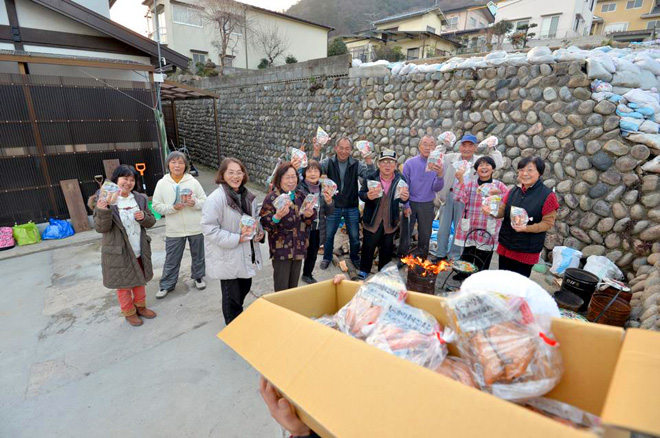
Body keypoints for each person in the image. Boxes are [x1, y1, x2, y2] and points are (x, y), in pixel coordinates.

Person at [201, 158, 264, 325]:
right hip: (228, 256)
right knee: (232, 297)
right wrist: (237, 238)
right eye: (231, 172)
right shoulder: (215, 199)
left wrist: (259, 232)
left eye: (239, 172)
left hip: (246, 252)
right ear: (222, 175)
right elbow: (209, 229)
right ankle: (232, 326)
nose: (235, 176)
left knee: (245, 287)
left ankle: (237, 319)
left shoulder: (248, 196)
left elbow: (255, 219)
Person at [93, 165, 157, 327]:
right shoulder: (105, 199)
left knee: (140, 281)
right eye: (124, 179)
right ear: (116, 180)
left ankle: (141, 307)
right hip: (119, 251)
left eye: (131, 180)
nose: (128, 183)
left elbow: (151, 221)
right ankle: (129, 312)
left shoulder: (140, 198)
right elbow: (102, 228)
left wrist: (143, 217)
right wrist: (104, 210)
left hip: (139, 247)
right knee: (124, 285)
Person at [484, 156, 559, 278]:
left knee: (517, 287)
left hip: (526, 250)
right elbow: (502, 211)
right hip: (506, 245)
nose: (525, 173)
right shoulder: (514, 190)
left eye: (530, 170)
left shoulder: (547, 196)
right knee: (502, 282)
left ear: (540, 172)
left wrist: (526, 228)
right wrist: (491, 211)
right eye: (521, 170)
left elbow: (548, 223)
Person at [434, 133, 503, 262]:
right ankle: (440, 254)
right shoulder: (451, 158)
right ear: (460, 147)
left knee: (461, 229)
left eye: (470, 146)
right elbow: (436, 158)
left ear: (475, 147)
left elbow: (497, 164)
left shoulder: (479, 161)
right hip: (449, 195)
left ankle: (454, 257)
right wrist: (443, 144)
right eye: (464, 145)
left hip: (466, 199)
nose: (467, 149)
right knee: (443, 228)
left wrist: (492, 148)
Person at [312, 137, 375, 271]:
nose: (343, 151)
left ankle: (354, 258)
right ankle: (327, 258)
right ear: (336, 148)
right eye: (341, 148)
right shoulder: (329, 162)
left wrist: (369, 160)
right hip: (333, 206)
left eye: (347, 148)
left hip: (351, 206)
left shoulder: (356, 164)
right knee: (329, 236)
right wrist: (316, 151)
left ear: (351, 150)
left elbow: (371, 177)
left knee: (354, 236)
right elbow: (313, 169)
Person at [152, 151, 208, 299]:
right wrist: (172, 208)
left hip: (195, 226)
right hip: (174, 229)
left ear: (185, 166)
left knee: (198, 255)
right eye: (173, 162)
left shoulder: (193, 182)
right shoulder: (162, 183)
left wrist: (194, 202)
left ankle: (198, 277)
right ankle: (166, 285)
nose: (177, 165)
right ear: (168, 164)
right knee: (172, 258)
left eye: (181, 162)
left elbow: (205, 201)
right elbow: (156, 205)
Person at [260, 162, 316, 291]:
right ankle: (280, 311)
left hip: (299, 246)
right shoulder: (272, 198)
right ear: (279, 179)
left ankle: (290, 310)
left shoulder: (300, 195)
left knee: (293, 288)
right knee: (281, 288)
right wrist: (277, 217)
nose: (291, 181)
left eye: (293, 177)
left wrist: (309, 214)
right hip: (281, 250)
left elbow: (308, 221)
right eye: (287, 177)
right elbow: (264, 224)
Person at [357, 150, 409, 280]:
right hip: (373, 219)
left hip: (390, 220)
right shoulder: (371, 177)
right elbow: (361, 194)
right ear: (379, 164)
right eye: (384, 162)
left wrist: (405, 198)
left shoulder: (400, 179)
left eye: (391, 162)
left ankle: (383, 272)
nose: (387, 165)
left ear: (395, 165)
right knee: (368, 246)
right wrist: (367, 196)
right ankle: (364, 269)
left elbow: (403, 199)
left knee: (386, 248)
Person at [453, 156, 508, 273]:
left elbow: (508, 201)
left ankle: (480, 277)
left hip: (488, 224)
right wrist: (461, 181)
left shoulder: (499, 186)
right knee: (468, 252)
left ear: (493, 169)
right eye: (480, 165)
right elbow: (458, 197)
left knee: (484, 255)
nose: (484, 167)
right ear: (476, 170)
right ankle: (463, 274)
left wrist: (498, 194)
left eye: (487, 165)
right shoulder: (470, 184)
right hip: (471, 223)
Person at [398, 135, 445, 260]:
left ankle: (422, 257)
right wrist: (406, 205)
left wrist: (440, 175)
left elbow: (437, 188)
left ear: (435, 148)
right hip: (410, 202)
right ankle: (403, 257)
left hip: (427, 203)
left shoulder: (437, 165)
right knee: (406, 232)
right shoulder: (410, 163)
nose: (428, 147)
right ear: (419, 146)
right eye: (425, 144)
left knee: (425, 233)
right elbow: (404, 186)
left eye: (431, 145)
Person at [297, 160, 335, 284]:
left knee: (312, 253)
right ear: (304, 173)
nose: (313, 173)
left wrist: (329, 202)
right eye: (309, 170)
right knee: (298, 253)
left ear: (320, 173)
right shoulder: (299, 188)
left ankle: (307, 274)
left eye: (316, 170)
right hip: (302, 227)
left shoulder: (324, 188)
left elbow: (329, 212)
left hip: (318, 227)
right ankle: (292, 275)